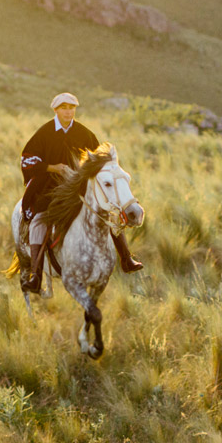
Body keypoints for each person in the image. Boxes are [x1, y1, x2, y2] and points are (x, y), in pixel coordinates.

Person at [19, 93, 143, 293]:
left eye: (72, 107)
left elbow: (99, 161)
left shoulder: (84, 133)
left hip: (79, 187)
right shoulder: (44, 132)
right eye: (64, 107)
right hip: (48, 189)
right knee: (39, 220)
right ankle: (36, 274)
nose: (68, 111)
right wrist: (53, 168)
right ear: (56, 110)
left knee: (108, 210)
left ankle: (127, 259)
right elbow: (26, 160)